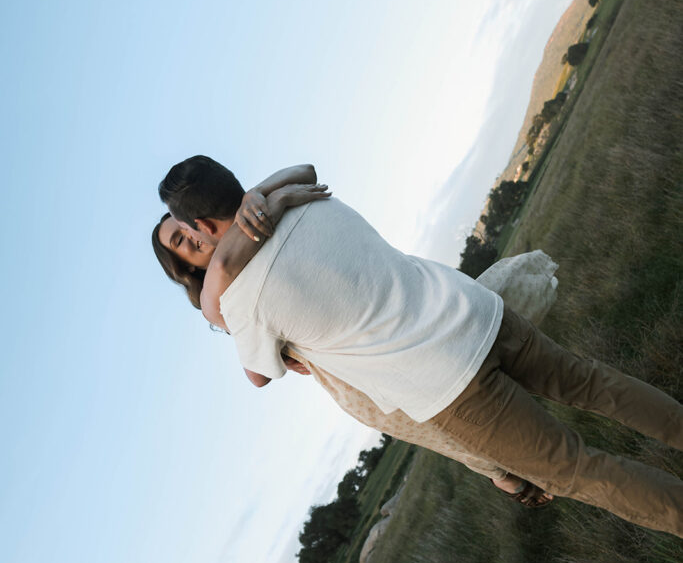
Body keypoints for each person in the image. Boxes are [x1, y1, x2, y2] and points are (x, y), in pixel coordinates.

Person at [156, 156, 683, 535]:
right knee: (595, 384)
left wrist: (223, 271)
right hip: (476, 312)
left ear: (201, 225)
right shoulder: (307, 202)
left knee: (580, 470)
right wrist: (261, 203)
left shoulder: (241, 303)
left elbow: (257, 374)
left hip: (449, 384)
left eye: (187, 231)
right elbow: (302, 170)